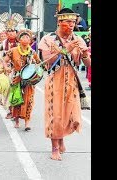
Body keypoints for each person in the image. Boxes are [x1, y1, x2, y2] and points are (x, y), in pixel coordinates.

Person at [38, 8, 91, 161]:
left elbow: (88, 64)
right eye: (68, 22)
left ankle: (61, 138)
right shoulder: (48, 39)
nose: (72, 25)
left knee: (71, 116)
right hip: (55, 82)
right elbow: (47, 63)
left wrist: (85, 54)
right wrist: (66, 49)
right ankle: (54, 148)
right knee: (56, 115)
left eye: (74, 22)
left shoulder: (79, 40)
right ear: (59, 22)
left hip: (72, 83)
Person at [3, 29, 41, 131]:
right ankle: (16, 120)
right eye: (23, 37)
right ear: (19, 40)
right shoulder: (13, 50)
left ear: (30, 40)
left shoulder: (32, 52)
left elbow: (39, 63)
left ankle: (27, 122)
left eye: (28, 37)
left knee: (29, 100)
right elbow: (5, 60)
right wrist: (6, 67)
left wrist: (37, 68)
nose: (25, 39)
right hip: (16, 78)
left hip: (29, 80)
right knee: (17, 99)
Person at [0, 24, 19, 119]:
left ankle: (19, 112)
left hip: (19, 71)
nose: (10, 33)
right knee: (8, 91)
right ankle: (11, 111)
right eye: (8, 31)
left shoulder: (20, 43)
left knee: (20, 92)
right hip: (7, 72)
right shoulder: (2, 45)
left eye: (12, 31)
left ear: (16, 32)